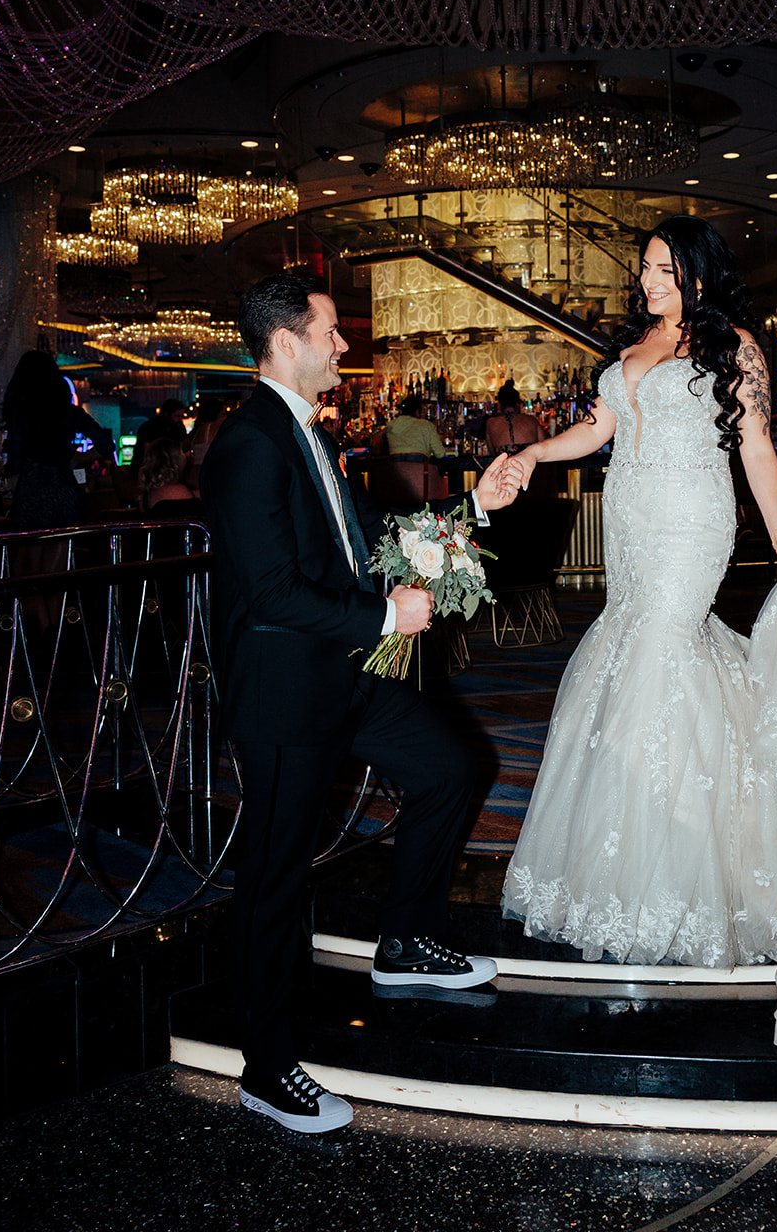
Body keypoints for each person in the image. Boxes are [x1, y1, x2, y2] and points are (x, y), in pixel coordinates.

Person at [499, 217, 777, 1123]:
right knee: (629, 653)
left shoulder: (735, 346)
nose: (645, 281)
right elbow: (599, 427)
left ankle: (688, 861)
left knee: (661, 650)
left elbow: (755, 446)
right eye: (643, 269)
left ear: (696, 273)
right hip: (634, 524)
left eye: (660, 269)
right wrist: (530, 453)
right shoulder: (630, 346)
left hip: (694, 523)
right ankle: (651, 850)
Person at [200, 272, 521, 1136]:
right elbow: (269, 591)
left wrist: (471, 508)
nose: (345, 346)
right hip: (284, 697)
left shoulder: (313, 437)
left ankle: (405, 942)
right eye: (332, 331)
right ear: (286, 342)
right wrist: (385, 613)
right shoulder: (249, 444)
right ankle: (266, 1071)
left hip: (346, 677)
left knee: (451, 768)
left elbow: (371, 548)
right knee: (274, 880)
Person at [2, 350, 115, 529]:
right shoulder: (70, 412)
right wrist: (75, 457)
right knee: (61, 547)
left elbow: (14, 464)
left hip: (32, 490)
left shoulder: (21, 413)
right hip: (64, 488)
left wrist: (6, 470)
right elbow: (107, 445)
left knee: (30, 549)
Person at [484, 381, 546, 458]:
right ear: (517, 404)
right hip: (531, 468)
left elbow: (492, 453)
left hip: (505, 468)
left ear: (499, 404)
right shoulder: (532, 421)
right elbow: (544, 448)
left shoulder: (491, 423)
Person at [137, 438, 198, 513]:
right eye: (183, 452)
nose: (186, 456)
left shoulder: (152, 491)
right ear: (176, 460)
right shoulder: (175, 491)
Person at [130, 398, 188, 475]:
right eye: (177, 416)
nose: (180, 419)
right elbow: (148, 450)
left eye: (181, 416)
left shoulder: (178, 427)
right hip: (149, 470)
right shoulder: (150, 427)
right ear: (167, 415)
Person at [384, 395, 446, 460]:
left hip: (396, 469)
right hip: (420, 468)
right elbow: (440, 454)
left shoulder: (390, 425)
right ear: (417, 411)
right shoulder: (427, 425)